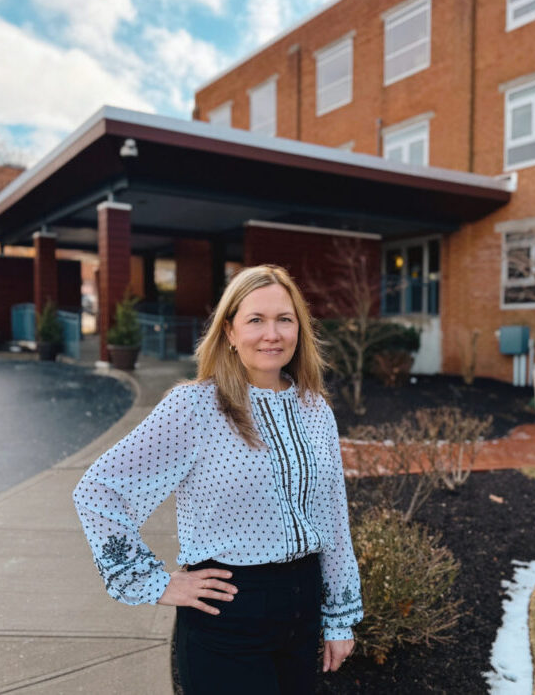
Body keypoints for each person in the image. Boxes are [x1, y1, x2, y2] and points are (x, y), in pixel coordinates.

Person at [73, 264, 363, 694]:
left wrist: (339, 618)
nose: (273, 334)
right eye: (256, 320)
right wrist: (153, 581)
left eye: (285, 319)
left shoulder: (314, 407)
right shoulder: (194, 407)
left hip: (302, 610)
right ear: (229, 332)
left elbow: (333, 519)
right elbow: (99, 491)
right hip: (227, 613)